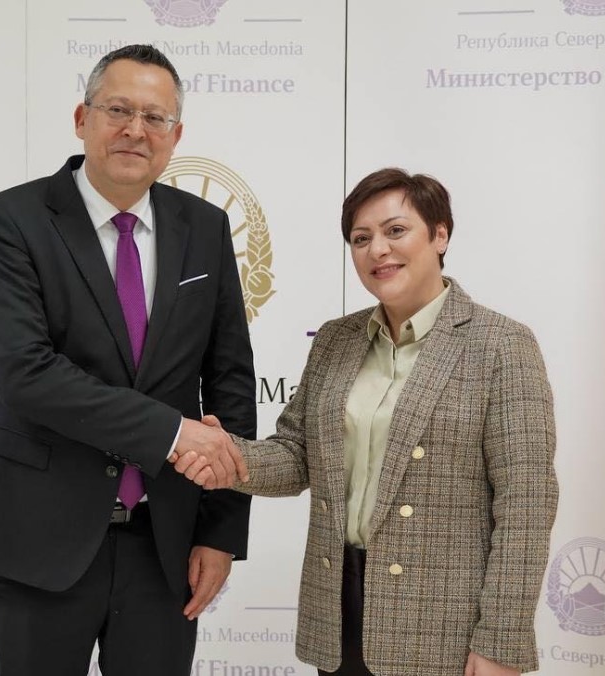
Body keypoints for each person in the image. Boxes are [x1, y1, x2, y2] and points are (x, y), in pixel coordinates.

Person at [0, 44, 256, 676]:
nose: (135, 130)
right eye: (118, 110)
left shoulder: (205, 228)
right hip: (39, 540)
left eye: (155, 117)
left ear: (176, 136)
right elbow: (26, 373)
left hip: (166, 545)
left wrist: (221, 532)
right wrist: (172, 433)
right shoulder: (9, 221)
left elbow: (230, 380)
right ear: (81, 118)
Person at [180, 168, 558, 676]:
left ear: (440, 234)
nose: (378, 249)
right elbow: (297, 456)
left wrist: (500, 643)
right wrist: (228, 456)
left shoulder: (501, 345)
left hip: (445, 630)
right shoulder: (336, 340)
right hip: (338, 616)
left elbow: (526, 505)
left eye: (395, 230)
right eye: (361, 239)